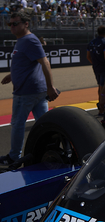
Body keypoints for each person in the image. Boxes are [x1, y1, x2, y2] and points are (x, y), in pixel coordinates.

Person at [0, 12, 60, 166]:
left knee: (18, 124)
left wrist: (50, 87)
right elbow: (25, 64)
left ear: (26, 24)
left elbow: (45, 63)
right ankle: (50, 150)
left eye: (15, 23)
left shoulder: (29, 40)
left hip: (27, 91)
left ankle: (14, 157)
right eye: (10, 24)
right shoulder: (22, 40)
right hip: (33, 90)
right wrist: (12, 75)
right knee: (44, 123)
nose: (11, 26)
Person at [87, 25, 105, 114]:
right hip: (104, 68)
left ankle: (101, 107)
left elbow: (88, 57)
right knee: (104, 88)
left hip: (96, 68)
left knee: (100, 87)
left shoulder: (91, 42)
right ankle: (102, 108)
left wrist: (95, 64)